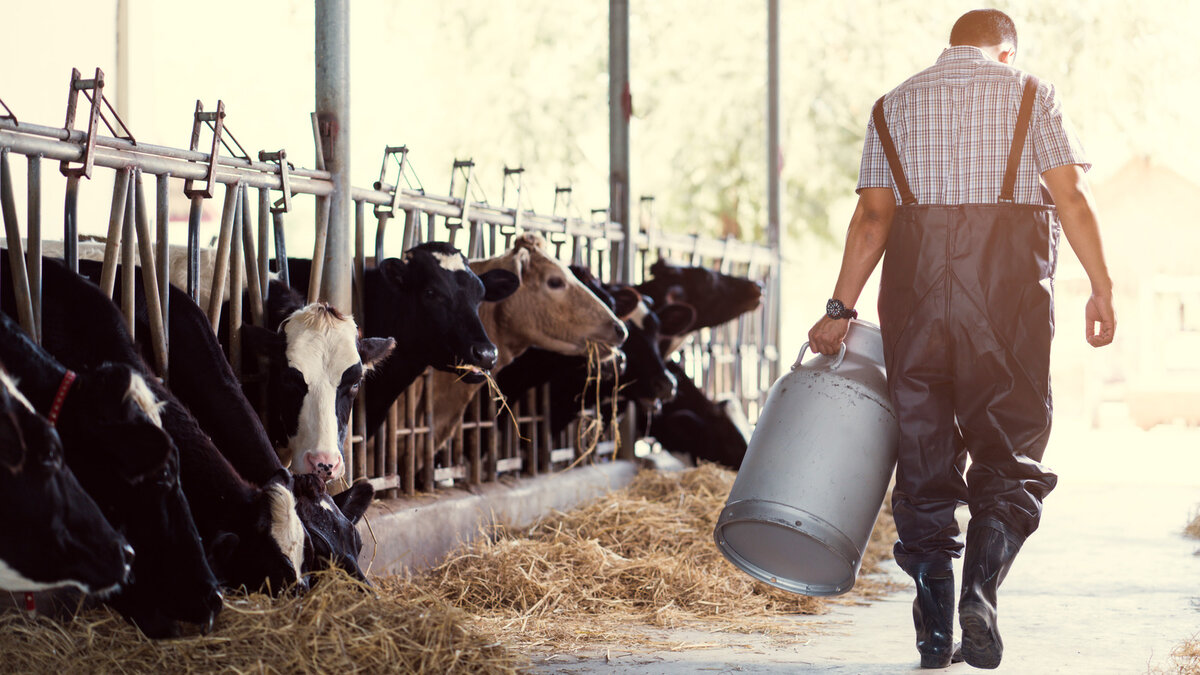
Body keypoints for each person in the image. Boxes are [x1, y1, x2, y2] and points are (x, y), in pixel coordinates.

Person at [807, 9, 1115, 670]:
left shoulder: (893, 105)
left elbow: (872, 217)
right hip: (1006, 301)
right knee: (1010, 447)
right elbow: (1073, 197)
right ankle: (980, 589)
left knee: (923, 452)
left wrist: (840, 308)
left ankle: (931, 628)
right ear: (1007, 52)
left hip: (914, 299)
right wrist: (1102, 286)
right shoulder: (1033, 93)